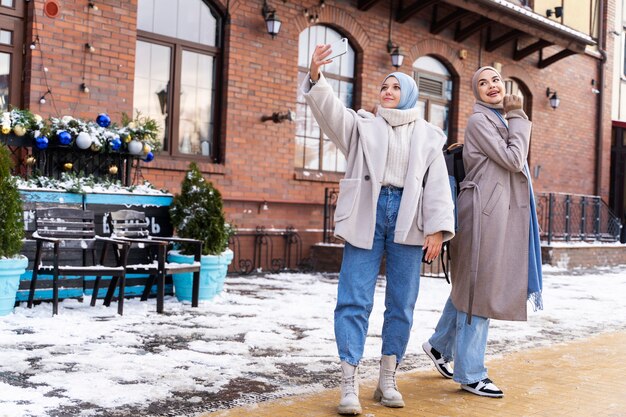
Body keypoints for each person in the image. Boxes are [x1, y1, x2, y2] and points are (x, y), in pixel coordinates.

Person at [302, 44, 455, 415]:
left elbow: (437, 185)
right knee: (354, 298)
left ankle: (388, 376)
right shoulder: (361, 126)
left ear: (410, 94)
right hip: (367, 214)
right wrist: (316, 76)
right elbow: (330, 112)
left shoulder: (430, 137)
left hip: (409, 218)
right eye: (384, 87)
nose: (387, 92)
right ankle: (349, 380)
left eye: (395, 87)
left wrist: (437, 230)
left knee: (401, 303)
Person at [422, 66, 543, 398]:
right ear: (475, 91)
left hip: (490, 212)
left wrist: (512, 118)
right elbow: (514, 158)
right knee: (479, 290)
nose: (491, 86)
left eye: (496, 81)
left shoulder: (495, 119)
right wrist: (518, 115)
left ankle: (438, 346)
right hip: (483, 214)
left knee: (471, 284)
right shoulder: (481, 121)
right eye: (483, 82)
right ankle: (470, 372)